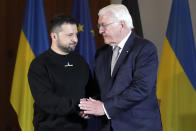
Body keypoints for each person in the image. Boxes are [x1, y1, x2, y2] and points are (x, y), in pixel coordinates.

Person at [79, 4, 162, 131]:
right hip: (109, 127)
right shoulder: (101, 54)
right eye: (99, 26)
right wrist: (90, 107)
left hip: (138, 126)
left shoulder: (144, 49)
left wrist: (104, 108)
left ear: (121, 25)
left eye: (104, 25)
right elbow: (100, 89)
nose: (100, 31)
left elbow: (141, 88)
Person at [28, 14, 91, 131]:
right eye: (70, 35)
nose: (75, 39)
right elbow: (46, 99)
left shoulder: (80, 61)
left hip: (79, 127)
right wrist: (79, 106)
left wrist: (90, 108)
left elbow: (91, 90)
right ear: (54, 36)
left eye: (76, 34)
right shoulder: (39, 64)